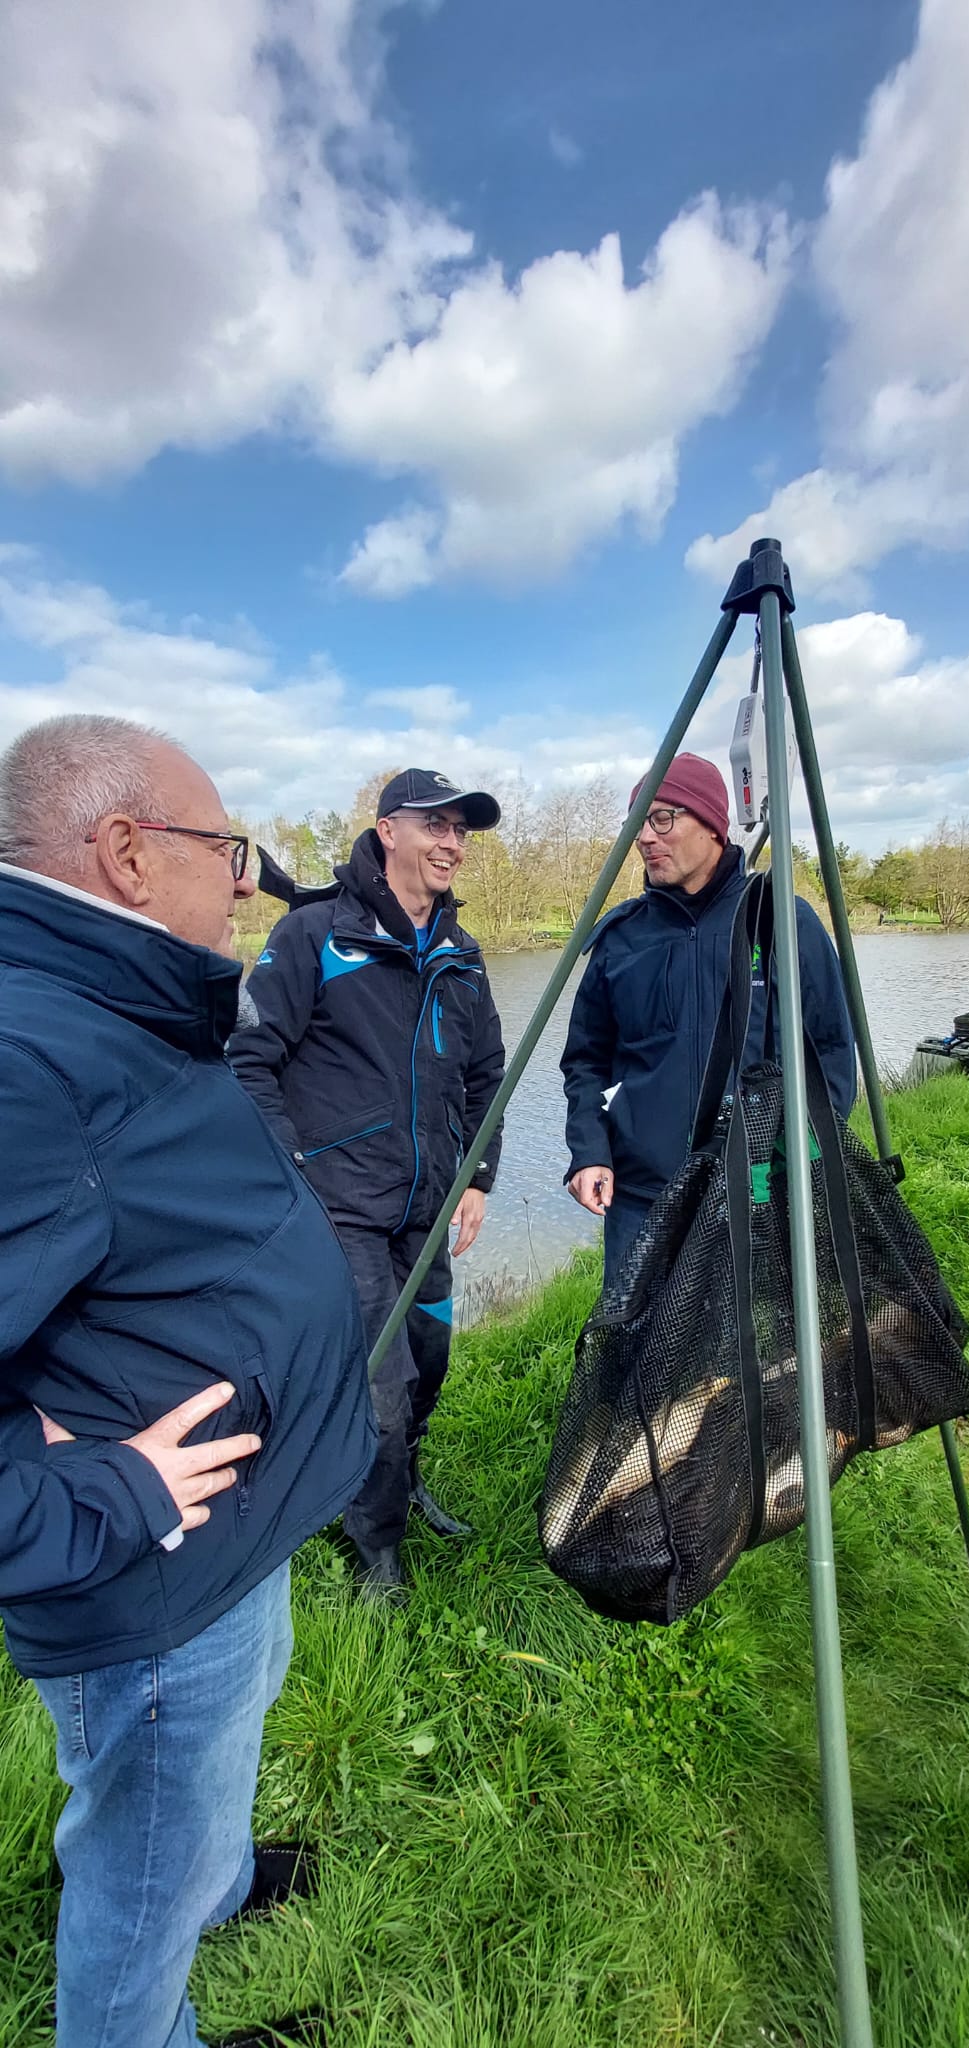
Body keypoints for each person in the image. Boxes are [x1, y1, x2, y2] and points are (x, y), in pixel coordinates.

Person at [0, 714, 376, 2048]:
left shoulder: (117, 1000)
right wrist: (104, 1494)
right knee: (136, 1881)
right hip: (153, 1577)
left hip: (226, 1537)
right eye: (228, 849)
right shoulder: (27, 1058)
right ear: (124, 852)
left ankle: (210, 1876)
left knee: (193, 1795)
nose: (248, 881)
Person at [229, 770, 505, 1604]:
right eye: (436, 825)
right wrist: (292, 1177)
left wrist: (478, 1177)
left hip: (429, 1206)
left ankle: (404, 1484)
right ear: (388, 831)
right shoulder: (314, 933)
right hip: (339, 1209)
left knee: (429, 1361)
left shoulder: (461, 953)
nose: (452, 843)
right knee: (378, 1385)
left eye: (461, 831)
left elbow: (487, 1075)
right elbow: (248, 1060)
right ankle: (374, 1545)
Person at [561, 753, 857, 1281]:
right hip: (643, 1200)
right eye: (638, 824)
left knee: (761, 1332)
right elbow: (586, 1062)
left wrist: (803, 1159)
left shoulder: (781, 919)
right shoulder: (620, 940)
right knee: (641, 1335)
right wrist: (589, 1151)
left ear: (713, 825)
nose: (645, 838)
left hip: (761, 1191)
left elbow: (832, 1049)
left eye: (662, 819)